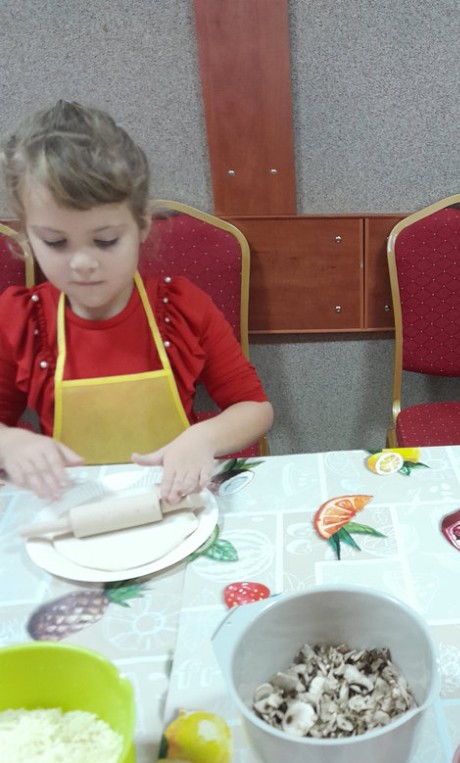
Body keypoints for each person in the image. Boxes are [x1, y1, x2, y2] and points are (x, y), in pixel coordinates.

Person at [0, 100, 273, 503]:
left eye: (105, 240)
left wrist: (204, 437)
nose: (83, 263)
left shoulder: (182, 309)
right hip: (74, 511)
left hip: (173, 502)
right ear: (28, 235)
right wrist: (9, 443)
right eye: (55, 242)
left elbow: (254, 407)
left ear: (142, 225)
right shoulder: (21, 320)